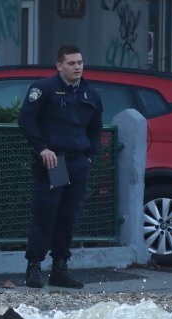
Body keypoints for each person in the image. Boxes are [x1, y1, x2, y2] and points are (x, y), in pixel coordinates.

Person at [17, 44, 103, 289]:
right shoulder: (44, 89)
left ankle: (60, 268)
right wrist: (42, 147)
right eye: (72, 63)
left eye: (80, 63)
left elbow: (96, 128)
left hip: (78, 162)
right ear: (59, 66)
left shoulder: (90, 94)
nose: (77, 67)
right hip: (56, 160)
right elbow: (26, 120)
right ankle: (34, 266)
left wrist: (90, 156)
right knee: (47, 212)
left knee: (69, 215)